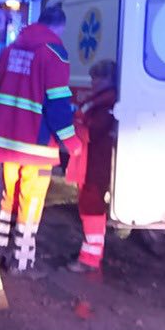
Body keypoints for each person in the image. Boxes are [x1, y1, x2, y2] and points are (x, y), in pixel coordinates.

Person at [0, 4, 81, 273]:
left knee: (7, 199)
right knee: (31, 202)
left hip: (7, 141)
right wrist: (72, 142)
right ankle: (22, 263)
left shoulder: (11, 50)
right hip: (35, 144)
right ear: (59, 27)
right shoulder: (54, 53)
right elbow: (58, 103)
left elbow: (0, 88)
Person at [66, 59, 117, 273]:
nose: (93, 82)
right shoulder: (101, 100)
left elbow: (93, 131)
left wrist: (77, 125)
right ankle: (89, 253)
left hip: (94, 162)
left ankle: (90, 258)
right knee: (89, 207)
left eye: (97, 78)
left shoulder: (106, 103)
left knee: (92, 208)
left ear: (108, 79)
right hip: (89, 161)